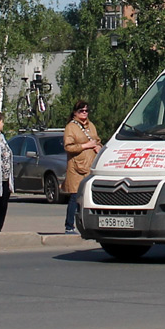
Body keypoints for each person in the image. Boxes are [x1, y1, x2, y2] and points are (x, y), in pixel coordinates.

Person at [63, 100, 101, 234]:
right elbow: (68, 147)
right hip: (76, 168)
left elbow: (97, 140)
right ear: (75, 112)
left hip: (90, 165)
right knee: (75, 196)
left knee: (89, 197)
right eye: (81, 111)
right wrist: (85, 146)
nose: (84, 113)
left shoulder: (91, 125)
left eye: (86, 110)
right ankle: (69, 225)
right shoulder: (71, 127)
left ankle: (88, 225)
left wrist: (97, 147)